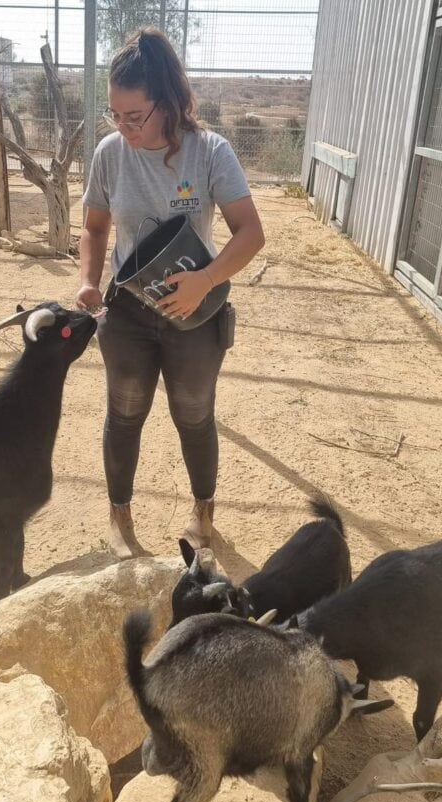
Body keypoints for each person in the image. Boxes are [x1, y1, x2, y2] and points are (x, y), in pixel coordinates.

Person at [76, 26, 264, 559]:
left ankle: (203, 516)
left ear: (168, 102)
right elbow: (94, 228)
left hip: (194, 315)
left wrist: (206, 279)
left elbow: (250, 232)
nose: (124, 127)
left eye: (134, 116)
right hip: (129, 315)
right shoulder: (110, 154)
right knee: (125, 412)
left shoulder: (210, 153)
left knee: (194, 414)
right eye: (116, 115)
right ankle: (120, 518)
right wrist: (89, 282)